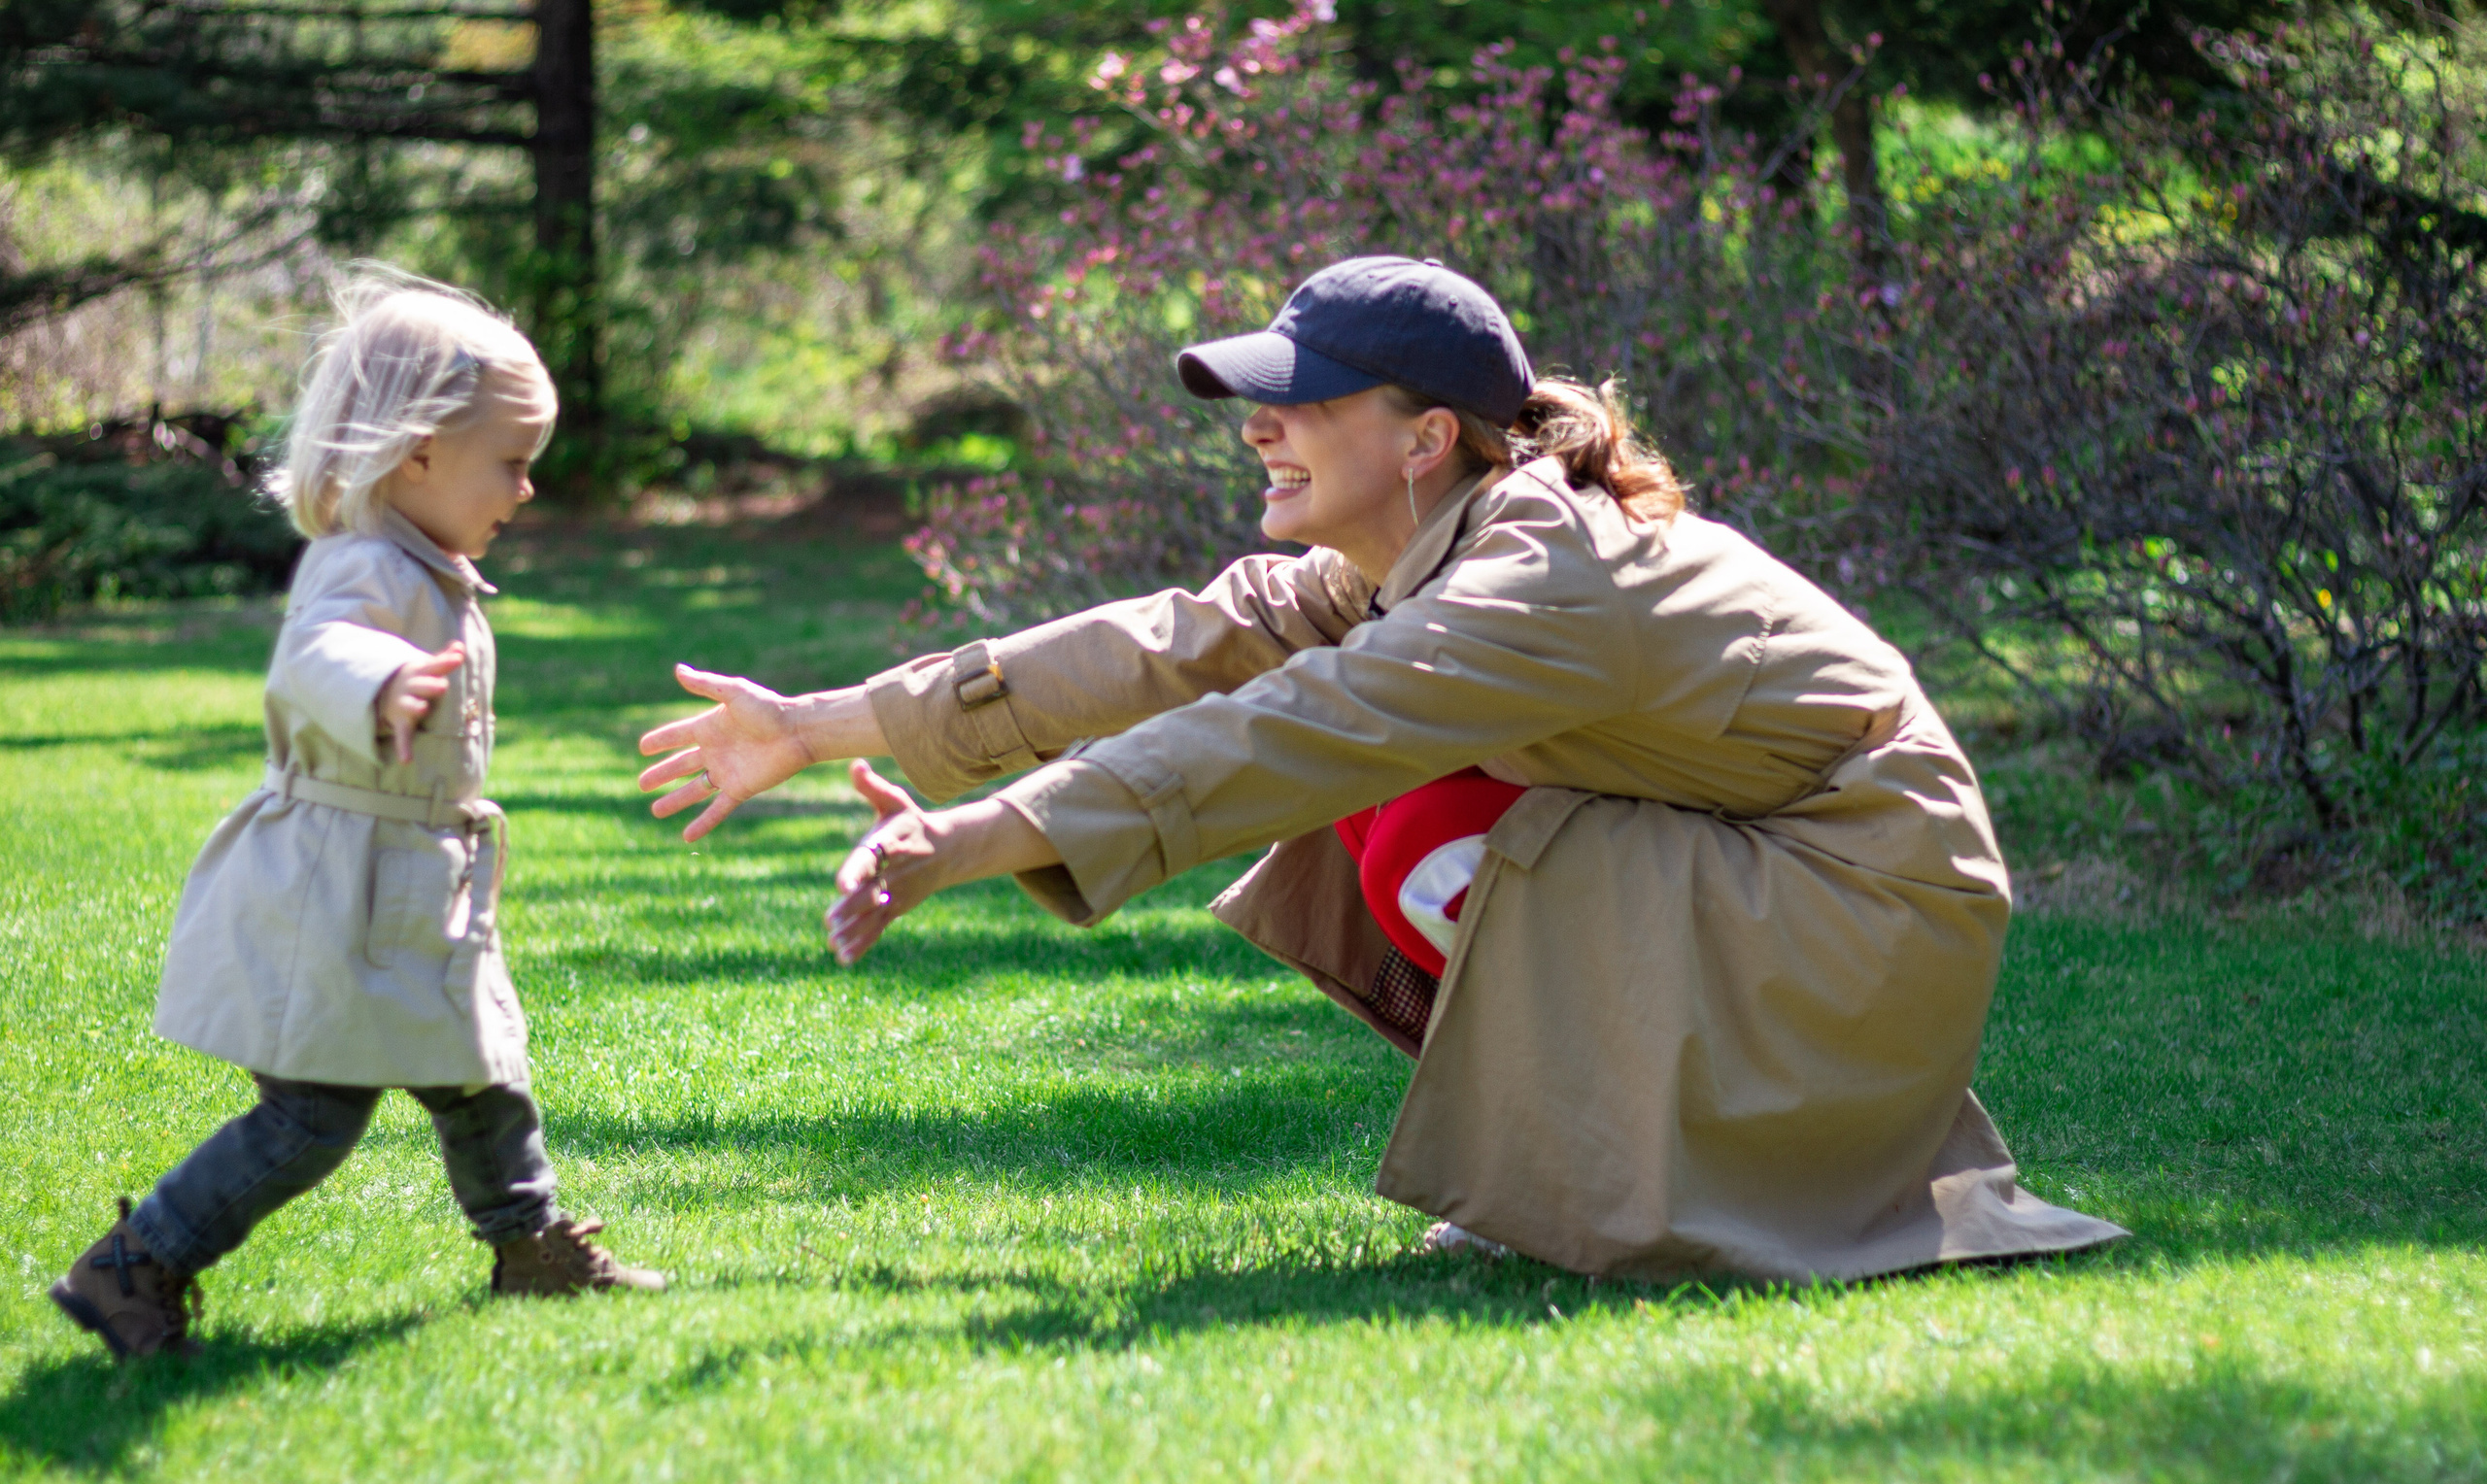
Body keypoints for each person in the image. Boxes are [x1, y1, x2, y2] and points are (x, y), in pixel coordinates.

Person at [637, 255, 2126, 1282]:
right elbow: (1170, 644)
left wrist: (971, 840)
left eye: (1302, 399)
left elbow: (1287, 734)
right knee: (1398, 805)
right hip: (1769, 871)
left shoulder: (1537, 586)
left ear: (1425, 436)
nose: (1259, 426)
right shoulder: (1428, 544)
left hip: (1860, 905)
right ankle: (1560, 1176)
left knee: (1403, 807)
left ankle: (1583, 1192)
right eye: (1258, 396)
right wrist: (816, 725)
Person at [49, 269, 664, 1362]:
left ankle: (528, 1249)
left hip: (412, 887)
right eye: (512, 464)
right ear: (418, 452)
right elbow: (314, 654)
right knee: (311, 1119)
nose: (526, 491)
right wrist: (376, 685)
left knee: (482, 1079)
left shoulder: (433, 561)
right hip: (335, 895)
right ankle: (134, 1265)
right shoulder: (363, 563)